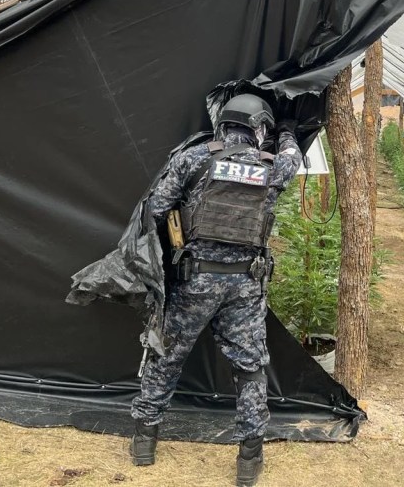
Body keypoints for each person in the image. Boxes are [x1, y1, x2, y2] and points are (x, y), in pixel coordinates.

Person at [129, 92, 302, 487]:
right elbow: (293, 157)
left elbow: (155, 208)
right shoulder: (274, 166)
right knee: (250, 368)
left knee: (166, 357)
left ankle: (144, 442)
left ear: (222, 124)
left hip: (196, 280)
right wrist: (289, 132)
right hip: (245, 283)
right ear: (258, 129)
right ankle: (249, 459)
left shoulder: (194, 159)